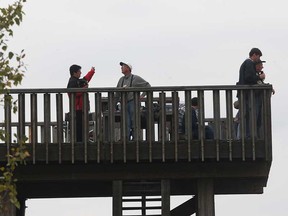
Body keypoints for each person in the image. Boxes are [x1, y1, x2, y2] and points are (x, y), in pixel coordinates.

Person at [115, 62, 151, 140]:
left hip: (133, 102)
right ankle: (126, 139)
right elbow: (117, 93)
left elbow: (147, 85)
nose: (121, 68)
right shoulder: (121, 80)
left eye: (123, 66)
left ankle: (135, 139)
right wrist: (113, 104)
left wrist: (142, 95)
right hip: (124, 103)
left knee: (134, 121)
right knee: (126, 122)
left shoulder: (135, 78)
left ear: (128, 68)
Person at [236, 48, 265, 138]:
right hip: (247, 95)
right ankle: (245, 136)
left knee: (245, 116)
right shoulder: (249, 63)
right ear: (254, 55)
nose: (258, 59)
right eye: (258, 56)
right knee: (246, 116)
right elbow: (249, 78)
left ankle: (244, 136)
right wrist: (260, 77)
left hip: (245, 94)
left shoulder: (246, 63)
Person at [67, 64, 95, 142]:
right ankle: (79, 142)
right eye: (79, 71)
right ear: (74, 73)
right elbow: (72, 94)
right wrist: (83, 89)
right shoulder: (72, 82)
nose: (80, 73)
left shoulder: (77, 81)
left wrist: (91, 72)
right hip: (77, 108)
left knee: (81, 126)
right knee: (79, 127)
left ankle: (81, 141)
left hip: (80, 108)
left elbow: (85, 79)